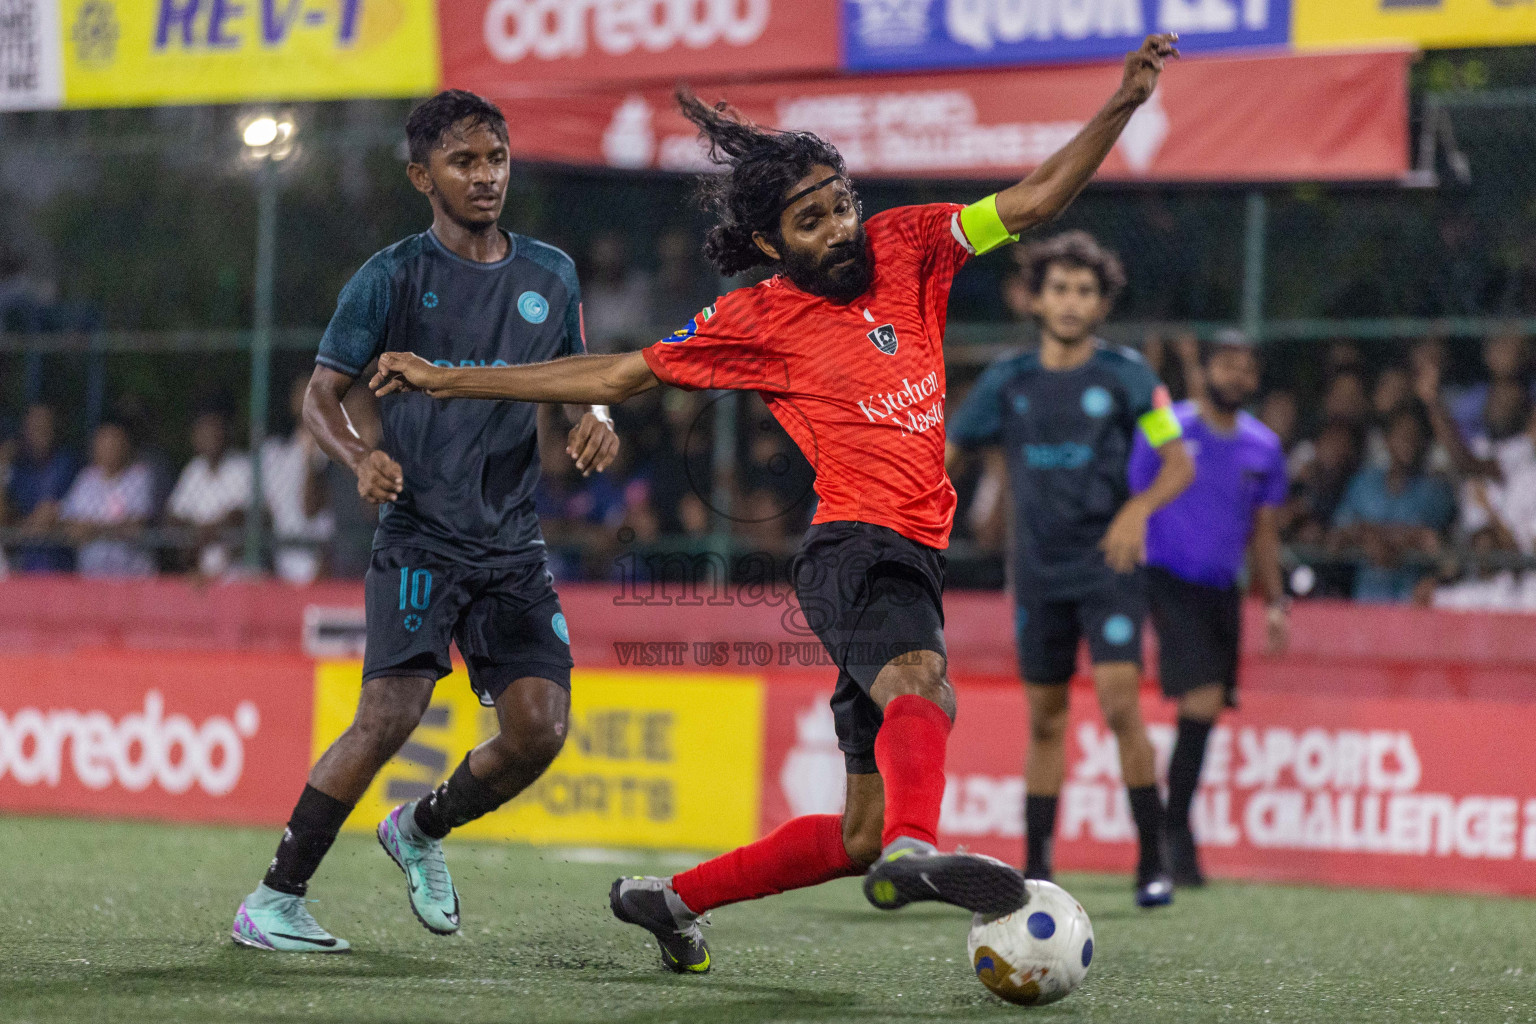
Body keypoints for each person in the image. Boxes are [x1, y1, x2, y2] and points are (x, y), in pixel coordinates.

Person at [372, 33, 1181, 973]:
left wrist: (1123, 102)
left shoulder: (912, 243)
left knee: (859, 835)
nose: (837, 227)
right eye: (810, 220)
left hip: (912, 551)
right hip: (853, 549)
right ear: (768, 243)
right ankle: (923, 847)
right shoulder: (753, 319)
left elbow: (1037, 201)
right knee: (924, 689)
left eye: (840, 204)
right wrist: (454, 380)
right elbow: (619, 371)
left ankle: (670, 899)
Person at [232, 90, 620, 955]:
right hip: (420, 535)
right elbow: (319, 394)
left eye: (497, 160)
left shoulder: (550, 274)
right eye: (464, 162)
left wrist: (600, 415)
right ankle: (273, 899)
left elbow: (578, 376)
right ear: (422, 176)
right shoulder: (391, 276)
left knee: (538, 732)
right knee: (389, 718)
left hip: (513, 543)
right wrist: (360, 455)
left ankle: (421, 828)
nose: (486, 178)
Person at [947, 231, 1194, 908]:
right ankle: (1036, 868)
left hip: (1107, 566)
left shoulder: (1129, 375)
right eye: (1058, 288)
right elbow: (950, 455)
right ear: (1035, 297)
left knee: (1120, 704)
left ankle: (1152, 861)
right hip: (1036, 572)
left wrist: (1137, 511)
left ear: (1102, 302)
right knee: (1046, 719)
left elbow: (1180, 462)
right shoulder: (1007, 379)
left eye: (1085, 291)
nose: (1070, 302)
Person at [1127, 331, 1288, 887]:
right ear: (1209, 369)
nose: (1237, 376)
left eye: (1248, 368)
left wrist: (1275, 601)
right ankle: (1172, 837)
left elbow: (1264, 532)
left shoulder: (1264, 446)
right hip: (1167, 581)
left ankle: (1171, 830)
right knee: (1200, 698)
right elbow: (1133, 497)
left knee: (1207, 709)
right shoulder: (1166, 425)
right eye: (1227, 364)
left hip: (1224, 591)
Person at [1329, 403, 1454, 603]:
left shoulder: (1434, 490)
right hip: (1364, 601)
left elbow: (1428, 536)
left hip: (1411, 605)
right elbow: (1337, 535)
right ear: (1387, 440)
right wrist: (1365, 535)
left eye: (1415, 436)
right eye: (1402, 435)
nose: (1409, 442)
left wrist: (1381, 538)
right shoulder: (1363, 483)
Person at [261, 377, 335, 585]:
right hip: (280, 567)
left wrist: (311, 459)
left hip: (321, 567)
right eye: (301, 391)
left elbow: (310, 508)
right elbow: (266, 513)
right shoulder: (275, 453)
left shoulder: (334, 450)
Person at [59, 420, 155, 577]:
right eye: (103, 443)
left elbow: (136, 525)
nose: (109, 449)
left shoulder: (139, 476)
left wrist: (92, 529)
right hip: (91, 576)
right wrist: (109, 528)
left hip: (132, 577)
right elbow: (69, 523)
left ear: (125, 445)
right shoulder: (86, 479)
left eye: (114, 442)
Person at [166, 400, 251, 577]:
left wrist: (206, 531)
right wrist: (198, 533)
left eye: (215, 429)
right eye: (203, 430)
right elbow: (174, 516)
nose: (210, 435)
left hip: (237, 572)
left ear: (226, 432)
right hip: (198, 568)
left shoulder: (242, 466)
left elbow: (239, 516)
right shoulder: (193, 469)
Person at [1, 404, 77, 572]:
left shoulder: (65, 463)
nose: (39, 432)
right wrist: (3, 465)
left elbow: (48, 512)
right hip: (19, 555)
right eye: (34, 427)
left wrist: (21, 528)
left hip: (57, 557)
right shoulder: (17, 468)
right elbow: (4, 515)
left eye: (44, 426)